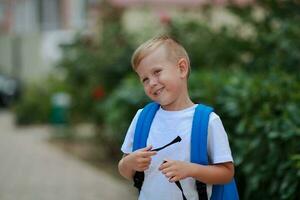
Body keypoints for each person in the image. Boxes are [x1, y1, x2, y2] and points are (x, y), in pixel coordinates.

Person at [118, 35, 234, 200]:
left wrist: (190, 170)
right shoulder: (142, 118)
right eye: (145, 79)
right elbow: (124, 169)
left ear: (181, 68)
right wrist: (130, 163)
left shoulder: (207, 121)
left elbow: (226, 173)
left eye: (157, 72)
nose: (151, 82)